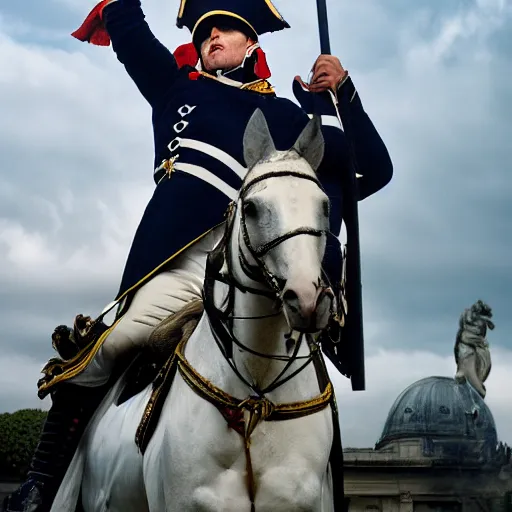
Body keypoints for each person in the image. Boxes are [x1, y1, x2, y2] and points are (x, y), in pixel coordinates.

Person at [3, 0, 393, 510]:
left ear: (252, 44)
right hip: (184, 270)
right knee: (110, 345)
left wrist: (343, 93)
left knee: (311, 386)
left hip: (261, 274)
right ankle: (43, 482)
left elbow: (371, 169)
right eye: (206, 30)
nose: (212, 37)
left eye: (226, 29)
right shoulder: (176, 89)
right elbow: (130, 33)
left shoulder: (283, 114)